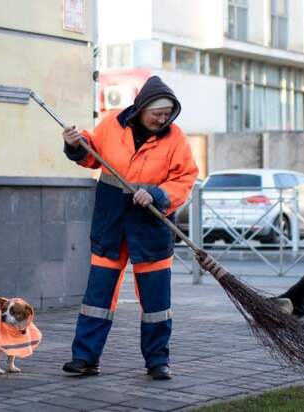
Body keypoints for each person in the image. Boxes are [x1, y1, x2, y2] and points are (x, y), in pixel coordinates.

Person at [61, 76, 199, 380]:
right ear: (141, 108)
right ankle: (84, 358)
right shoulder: (112, 123)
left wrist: (158, 195)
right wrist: (74, 145)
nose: (162, 120)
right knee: (98, 297)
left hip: (151, 225)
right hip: (111, 222)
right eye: (157, 114)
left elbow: (185, 178)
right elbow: (90, 155)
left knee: (156, 302)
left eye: (168, 115)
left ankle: (157, 361)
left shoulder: (175, 138)